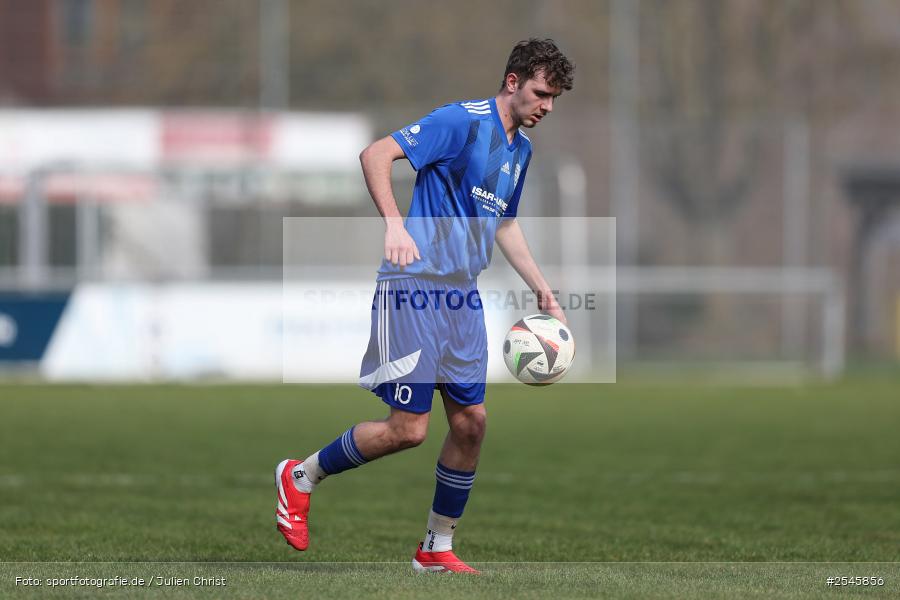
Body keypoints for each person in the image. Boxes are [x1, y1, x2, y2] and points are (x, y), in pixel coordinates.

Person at [275, 38, 574, 574]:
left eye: (553, 98)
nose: (547, 106)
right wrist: (394, 222)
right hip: (413, 286)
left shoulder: (521, 151)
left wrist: (541, 287)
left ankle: (435, 549)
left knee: (471, 425)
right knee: (408, 430)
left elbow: (503, 222)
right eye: (541, 93)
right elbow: (375, 154)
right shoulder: (460, 122)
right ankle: (300, 477)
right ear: (513, 82)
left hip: (462, 296)